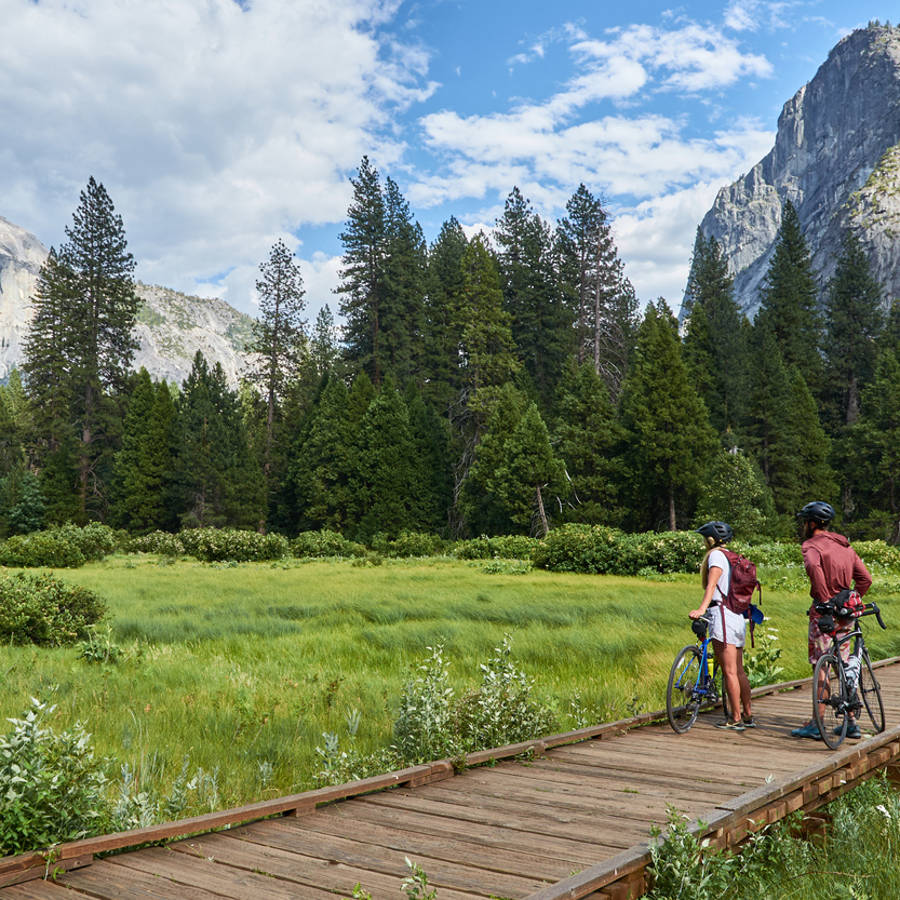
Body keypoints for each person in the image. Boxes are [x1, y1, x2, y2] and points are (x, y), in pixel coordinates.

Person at [791, 501, 872, 740]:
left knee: (822, 666)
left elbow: (814, 571)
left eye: (805, 521)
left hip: (824, 615)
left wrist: (826, 603)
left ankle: (817, 723)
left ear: (812, 523)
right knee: (844, 665)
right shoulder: (845, 546)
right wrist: (849, 599)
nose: (803, 526)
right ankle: (852, 721)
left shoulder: (811, 545)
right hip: (846, 616)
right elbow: (865, 579)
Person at [689, 521, 753, 731]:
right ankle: (748, 714)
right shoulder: (732, 556)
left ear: (710, 539)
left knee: (729, 672)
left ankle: (735, 718)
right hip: (737, 615)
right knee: (739, 670)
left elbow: (712, 584)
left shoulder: (716, 556)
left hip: (722, 615)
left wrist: (701, 609)